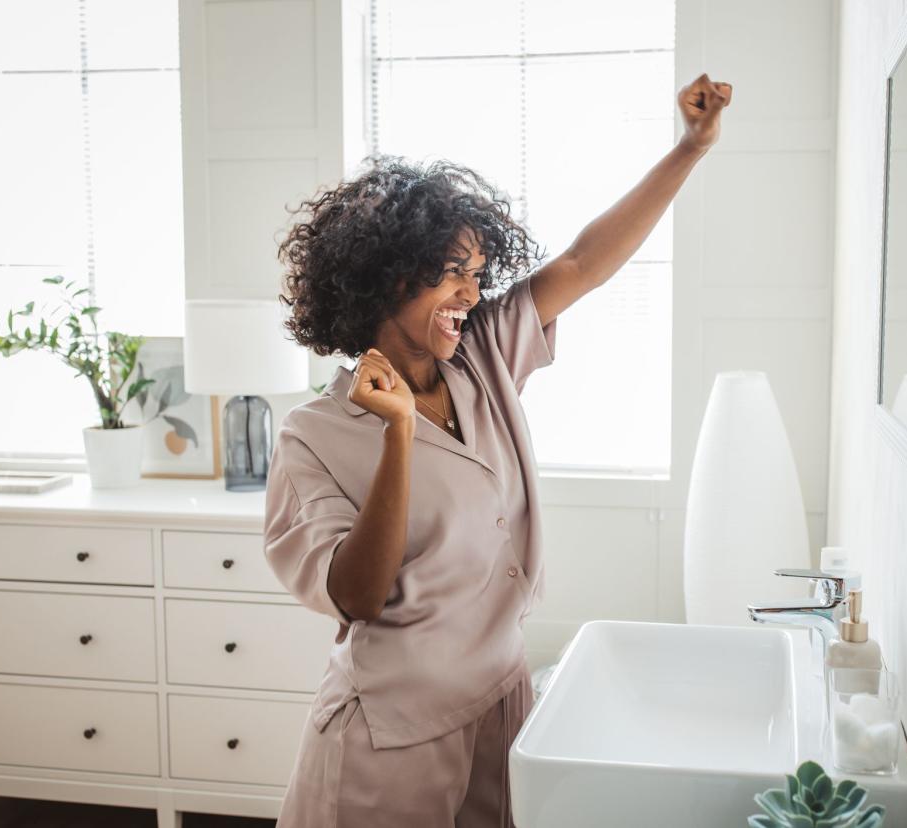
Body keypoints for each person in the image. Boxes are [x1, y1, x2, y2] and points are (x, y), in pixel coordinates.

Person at [263, 72, 731, 828]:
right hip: (392, 732)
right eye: (452, 275)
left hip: (500, 700)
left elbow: (582, 262)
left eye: (477, 276)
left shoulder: (480, 360)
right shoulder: (313, 435)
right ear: (387, 278)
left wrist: (690, 148)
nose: (470, 297)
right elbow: (354, 595)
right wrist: (399, 434)